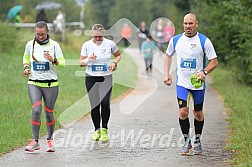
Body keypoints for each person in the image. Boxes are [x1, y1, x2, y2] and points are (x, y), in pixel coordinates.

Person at [163, 13, 218, 155]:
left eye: (190, 24)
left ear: (196, 24)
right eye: (185, 23)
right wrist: (166, 73)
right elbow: (168, 55)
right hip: (182, 82)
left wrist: (204, 73)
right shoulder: (176, 40)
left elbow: (214, 61)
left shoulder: (204, 41)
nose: (188, 26)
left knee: (198, 113)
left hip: (198, 84)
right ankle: (187, 141)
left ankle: (197, 141)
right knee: (183, 111)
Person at [23, 21, 65, 152]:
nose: (40, 36)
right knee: (36, 110)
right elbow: (25, 57)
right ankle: (35, 141)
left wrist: (53, 60)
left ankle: (50, 139)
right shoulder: (30, 44)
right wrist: (26, 67)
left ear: (47, 32)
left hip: (51, 84)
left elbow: (63, 63)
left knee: (48, 113)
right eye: (37, 34)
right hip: (34, 82)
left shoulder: (54, 45)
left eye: (42, 34)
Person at [79, 24, 121, 142]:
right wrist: (88, 59)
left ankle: (104, 129)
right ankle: (96, 129)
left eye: (100, 37)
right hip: (91, 78)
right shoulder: (86, 45)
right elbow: (81, 63)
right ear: (92, 34)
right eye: (96, 36)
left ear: (103, 34)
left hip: (106, 77)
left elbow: (118, 56)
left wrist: (114, 63)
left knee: (105, 102)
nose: (98, 39)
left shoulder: (110, 44)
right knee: (95, 105)